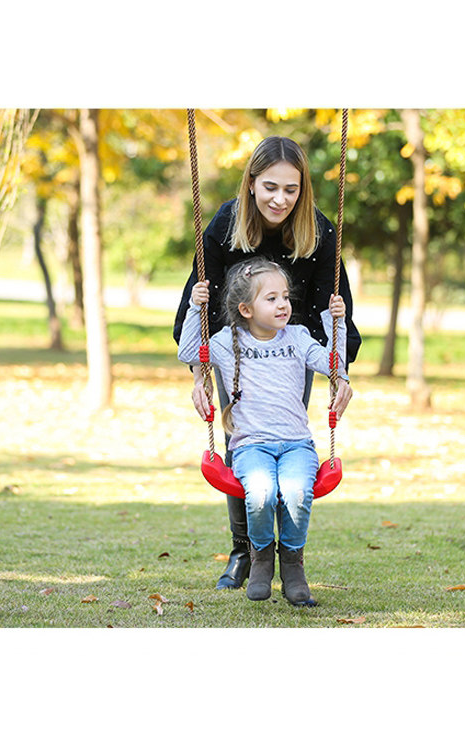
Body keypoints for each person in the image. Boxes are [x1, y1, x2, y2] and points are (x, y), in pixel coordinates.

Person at [173, 135, 361, 590]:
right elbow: (202, 299)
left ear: (303, 189)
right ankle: (246, 550)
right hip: (236, 349)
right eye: (270, 187)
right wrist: (200, 375)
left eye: (291, 189)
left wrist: (339, 373)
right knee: (244, 441)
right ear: (252, 182)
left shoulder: (318, 231)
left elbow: (332, 307)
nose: (280, 199)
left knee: (286, 437)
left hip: (295, 348)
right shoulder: (227, 223)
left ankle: (290, 556)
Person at [177, 258, 350, 605]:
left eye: (285, 297)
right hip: (251, 446)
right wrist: (195, 309)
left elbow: (334, 364)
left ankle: (293, 565)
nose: (283, 304)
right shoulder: (227, 342)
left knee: (297, 492)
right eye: (271, 299)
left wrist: (337, 323)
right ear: (246, 309)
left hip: (296, 445)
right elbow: (188, 352)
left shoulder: (298, 338)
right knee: (260, 493)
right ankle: (260, 559)